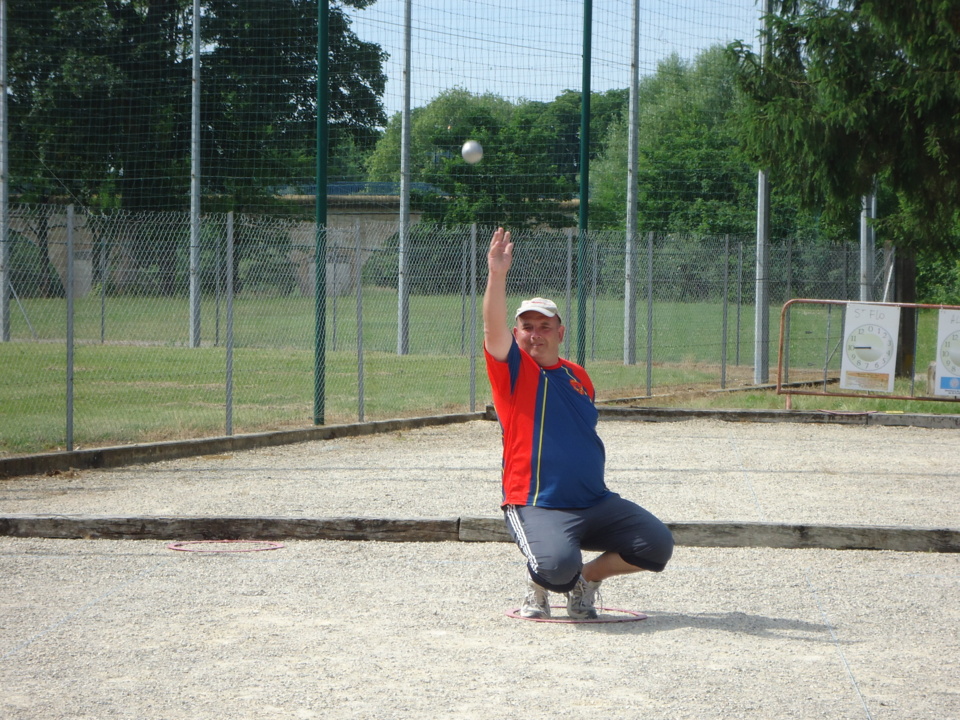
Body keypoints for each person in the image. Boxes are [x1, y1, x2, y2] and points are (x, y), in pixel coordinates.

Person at [483, 227, 674, 619]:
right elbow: (492, 329)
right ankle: (540, 585)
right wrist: (497, 275)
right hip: (538, 503)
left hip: (593, 501)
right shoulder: (513, 373)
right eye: (527, 327)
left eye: (544, 327)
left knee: (656, 544)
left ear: (560, 333)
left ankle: (585, 579)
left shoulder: (577, 375)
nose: (535, 335)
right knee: (555, 570)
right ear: (516, 333)